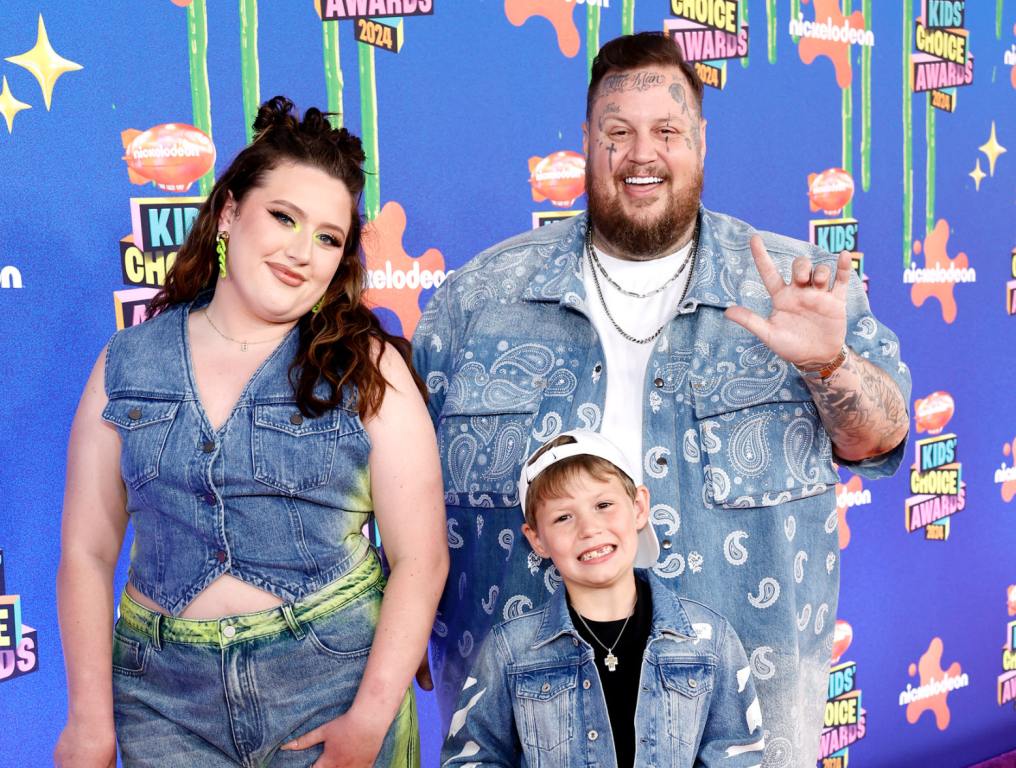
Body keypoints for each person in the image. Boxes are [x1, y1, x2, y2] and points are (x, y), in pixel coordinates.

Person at [413, 33, 909, 767]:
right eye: (618, 133)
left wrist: (829, 364)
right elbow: (399, 484)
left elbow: (883, 436)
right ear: (587, 141)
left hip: (751, 710)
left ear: (701, 141)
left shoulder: (794, 288)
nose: (643, 155)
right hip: (521, 710)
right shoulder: (476, 301)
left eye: (667, 131)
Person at [53, 96, 447, 768]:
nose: (302, 252)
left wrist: (370, 718)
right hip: (162, 704)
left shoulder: (368, 366)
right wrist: (90, 720)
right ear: (229, 211)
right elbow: (87, 554)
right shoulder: (127, 361)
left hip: (332, 687)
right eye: (284, 218)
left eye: (328, 237)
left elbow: (421, 558)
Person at [441, 430, 765, 767]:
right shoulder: (510, 649)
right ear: (537, 538)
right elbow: (472, 759)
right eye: (563, 517)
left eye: (603, 505)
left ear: (638, 507)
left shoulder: (708, 638)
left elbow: (737, 755)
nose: (589, 528)